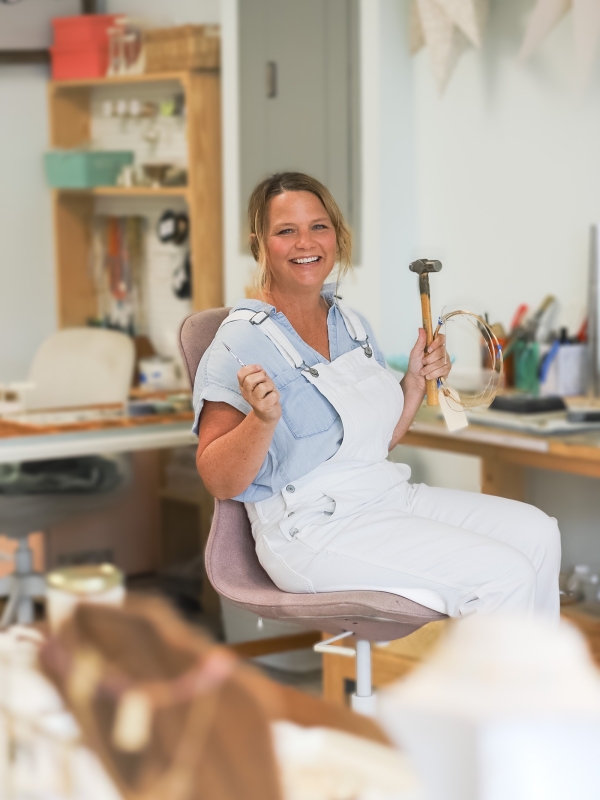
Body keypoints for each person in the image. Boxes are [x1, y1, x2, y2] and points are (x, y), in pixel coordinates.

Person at [194, 172, 560, 619]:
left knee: (538, 532)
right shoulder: (238, 345)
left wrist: (413, 381)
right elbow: (219, 480)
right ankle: (491, 690)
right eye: (286, 231)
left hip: (384, 496)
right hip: (311, 529)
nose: (305, 242)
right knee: (503, 574)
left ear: (337, 235)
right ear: (260, 244)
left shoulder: (349, 324)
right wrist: (261, 421)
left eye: (319, 227)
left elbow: (373, 443)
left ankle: (537, 686)